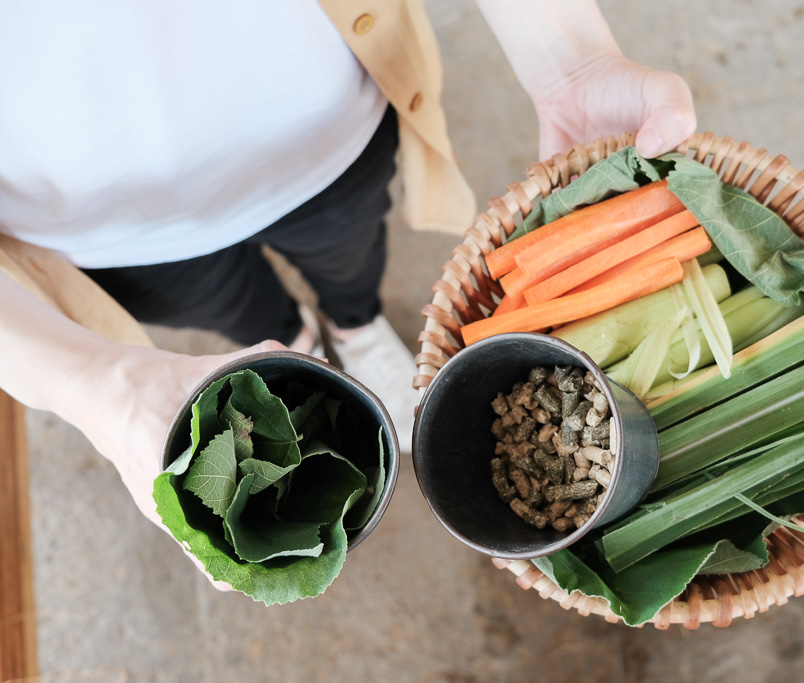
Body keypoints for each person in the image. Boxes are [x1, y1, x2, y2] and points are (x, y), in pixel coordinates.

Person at [0, 0, 696, 587]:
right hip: (109, 231)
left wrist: (571, 60)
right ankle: (298, 341)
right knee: (230, 310)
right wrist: (101, 385)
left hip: (323, 128)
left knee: (353, 256)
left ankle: (354, 324)